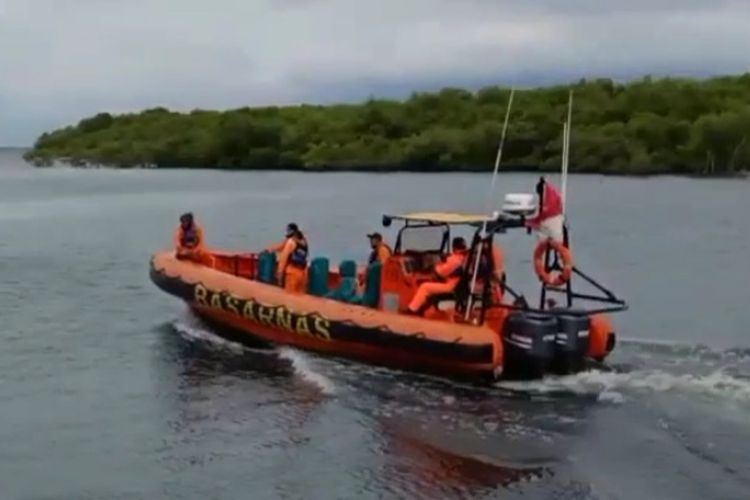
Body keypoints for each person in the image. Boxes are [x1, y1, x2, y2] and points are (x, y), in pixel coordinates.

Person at [405, 237, 469, 315]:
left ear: (454, 247)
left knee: (425, 286)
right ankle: (421, 308)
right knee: (430, 284)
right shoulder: (465, 257)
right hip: (458, 285)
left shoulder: (455, 259)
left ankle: (412, 309)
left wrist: (436, 266)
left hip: (451, 286)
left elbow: (440, 272)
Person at [266, 222, 309, 293]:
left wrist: (279, 274)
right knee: (300, 297)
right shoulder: (304, 241)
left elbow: (283, 258)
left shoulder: (290, 242)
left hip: (292, 273)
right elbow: (282, 246)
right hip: (303, 273)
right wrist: (271, 249)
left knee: (290, 297)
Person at [526, 176, 564, 242]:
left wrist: (530, 223)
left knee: (546, 241)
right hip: (554, 224)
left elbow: (543, 214)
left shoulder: (548, 199)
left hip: (550, 226)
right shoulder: (552, 193)